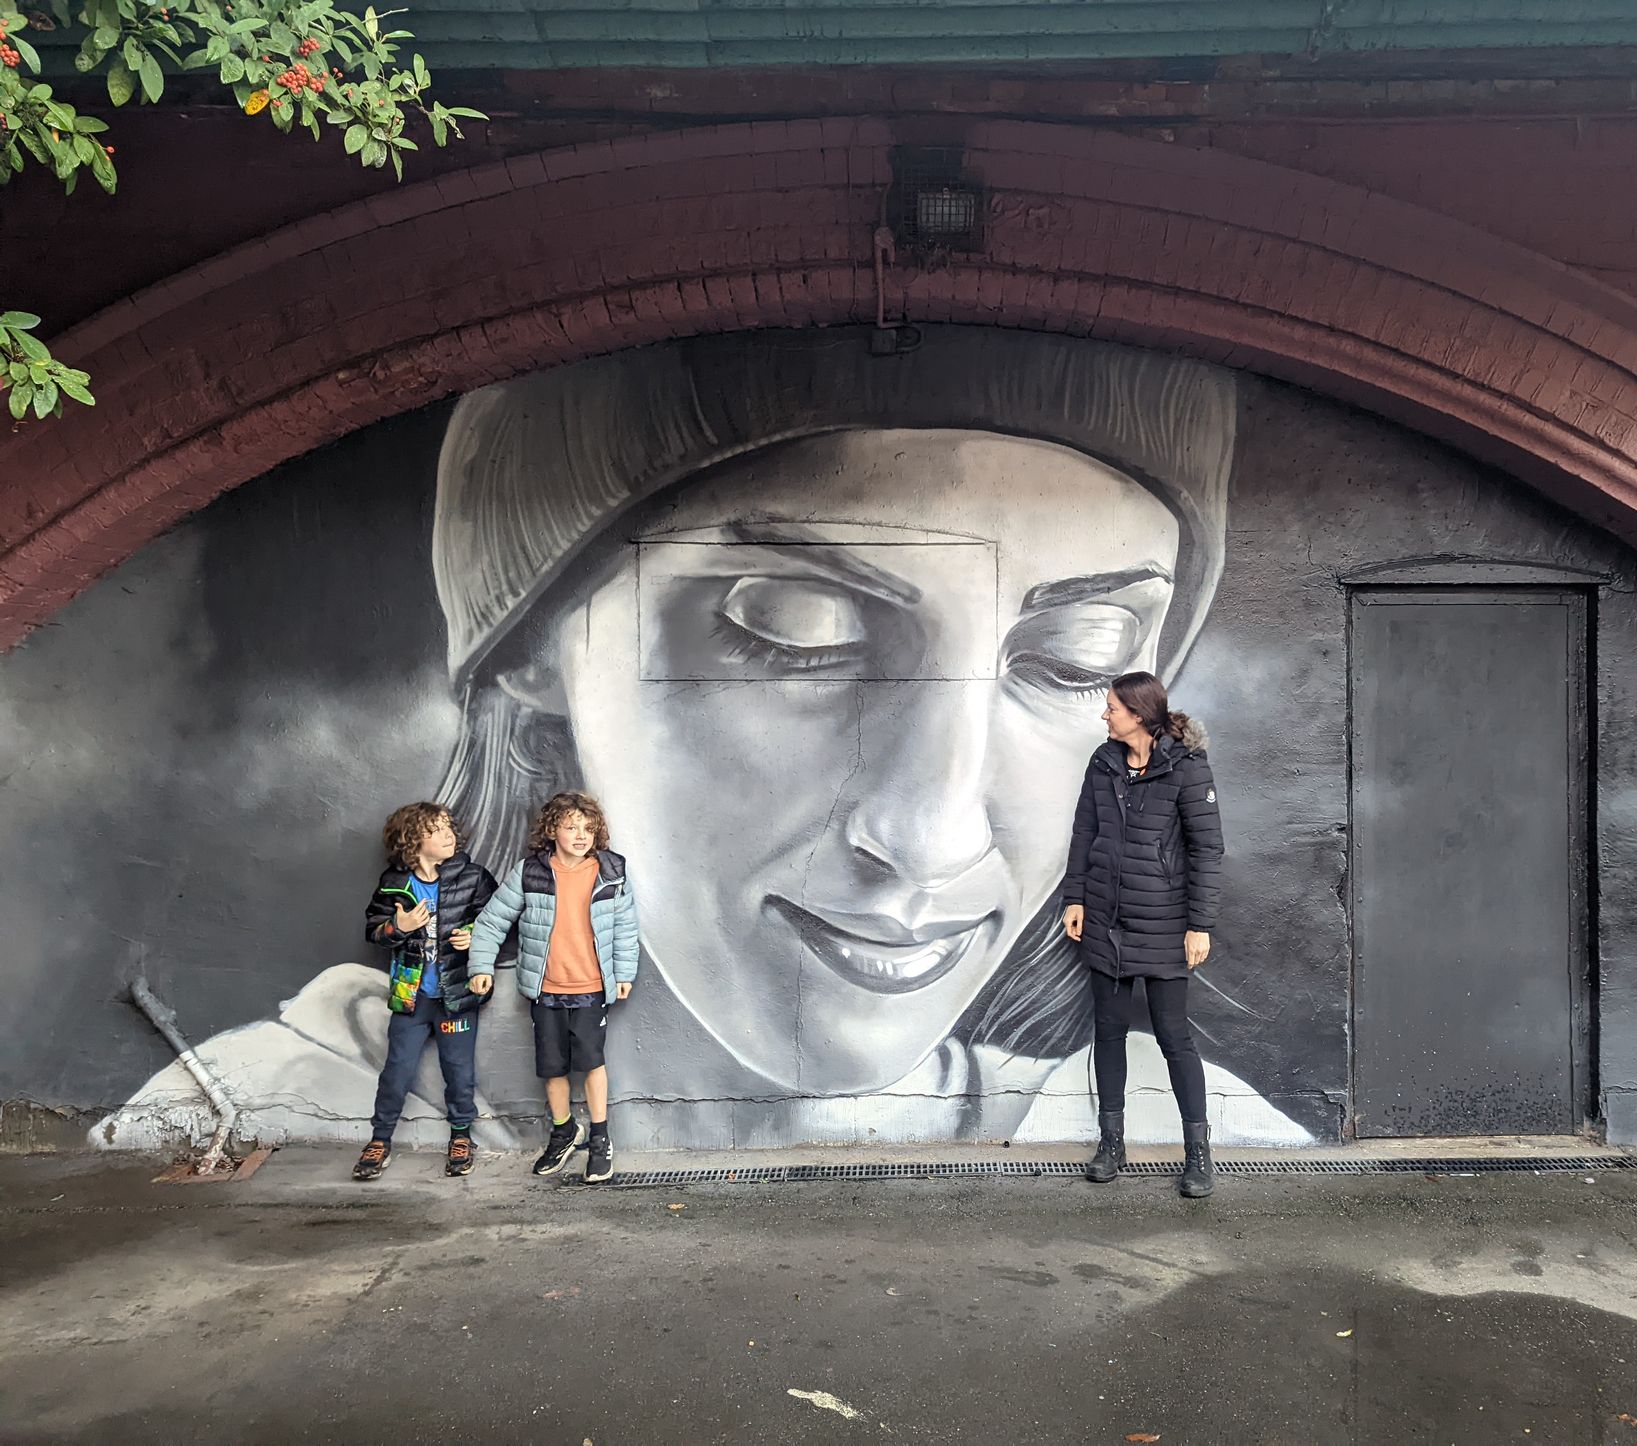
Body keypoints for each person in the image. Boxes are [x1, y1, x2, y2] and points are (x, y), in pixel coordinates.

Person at [96, 326, 1313, 1153]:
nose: (934, 834)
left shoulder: (1155, 1129)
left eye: (1077, 660)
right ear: (530, 649)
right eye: (794, 628)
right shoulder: (284, 1111)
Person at [1063, 672, 1224, 1197]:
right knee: (1108, 1033)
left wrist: (1199, 925)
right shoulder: (1103, 761)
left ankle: (1198, 1154)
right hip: (1106, 922)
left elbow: (1207, 850)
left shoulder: (1186, 766)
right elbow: (1084, 832)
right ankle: (1111, 1144)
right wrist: (1075, 897)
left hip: (1163, 924)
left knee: (1174, 1036)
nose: (1104, 715)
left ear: (1137, 712)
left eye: (1111, 707)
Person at [466, 791, 639, 1181]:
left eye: (588, 828)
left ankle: (599, 1137)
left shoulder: (611, 871)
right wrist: (481, 965)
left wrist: (624, 974)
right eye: (571, 826)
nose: (581, 835)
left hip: (592, 988)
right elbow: (493, 921)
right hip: (546, 989)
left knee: (593, 1063)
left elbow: (627, 926)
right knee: (552, 1067)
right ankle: (563, 1131)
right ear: (552, 830)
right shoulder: (531, 872)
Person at [354, 802, 499, 1181]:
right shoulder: (394, 883)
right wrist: (398, 926)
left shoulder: (473, 877)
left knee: (459, 1070)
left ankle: (461, 1136)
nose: (449, 835)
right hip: (411, 997)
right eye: (437, 830)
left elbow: (498, 924)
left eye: (449, 827)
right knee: (397, 1070)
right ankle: (380, 1139)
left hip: (456, 996)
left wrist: (475, 937)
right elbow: (374, 931)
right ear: (414, 840)